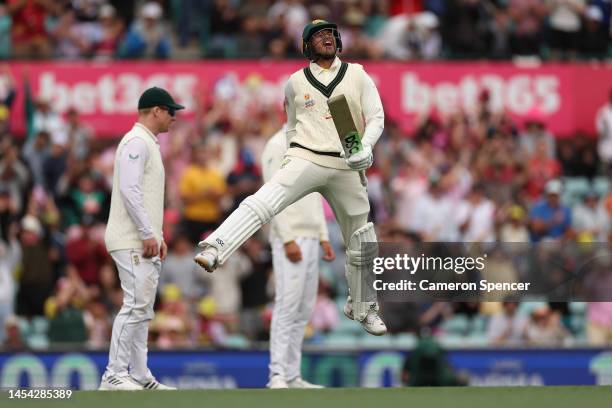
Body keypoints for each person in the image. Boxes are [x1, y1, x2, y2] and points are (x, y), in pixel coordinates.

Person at [195, 19, 387, 335]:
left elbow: (376, 117)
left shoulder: (357, 74)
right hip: (307, 156)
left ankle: (363, 306)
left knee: (363, 237)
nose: (326, 39)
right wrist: (291, 157)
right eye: (319, 36)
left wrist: (365, 147)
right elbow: (293, 126)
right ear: (306, 46)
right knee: (266, 199)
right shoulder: (295, 82)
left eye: (330, 35)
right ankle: (217, 246)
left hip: (346, 162)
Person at [99, 87, 184, 391]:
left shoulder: (147, 142)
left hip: (141, 238)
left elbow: (143, 195)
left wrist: (156, 235)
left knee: (144, 309)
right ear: (156, 111)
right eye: (170, 111)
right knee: (136, 305)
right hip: (131, 237)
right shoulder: (137, 141)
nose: (174, 117)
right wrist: (148, 233)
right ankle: (114, 374)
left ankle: (138, 374)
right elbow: (129, 189)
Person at [263, 126, 336, 389]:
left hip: (311, 235)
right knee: (287, 305)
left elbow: (317, 192)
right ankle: (277, 374)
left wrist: (323, 234)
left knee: (304, 308)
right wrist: (286, 237)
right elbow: (271, 195)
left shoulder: (311, 141)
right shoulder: (276, 144)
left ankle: (292, 374)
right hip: (290, 236)